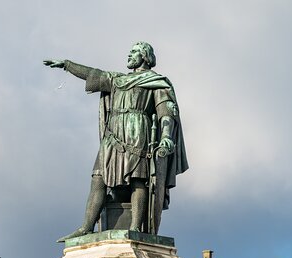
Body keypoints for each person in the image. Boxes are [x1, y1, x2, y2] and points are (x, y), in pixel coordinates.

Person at [45, 41, 188, 240]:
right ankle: (86, 227)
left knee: (139, 179)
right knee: (98, 178)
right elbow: (92, 74)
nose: (129, 55)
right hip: (113, 134)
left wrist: (165, 137)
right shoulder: (117, 79)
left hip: (138, 131)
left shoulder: (156, 82)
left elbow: (166, 112)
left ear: (145, 56)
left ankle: (136, 227)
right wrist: (67, 65)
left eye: (134, 52)